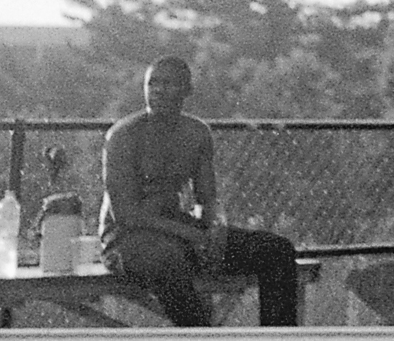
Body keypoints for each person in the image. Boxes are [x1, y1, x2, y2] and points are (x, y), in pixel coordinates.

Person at [99, 56, 300, 327]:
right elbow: (126, 215)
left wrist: (213, 231)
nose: (158, 90)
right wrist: (191, 235)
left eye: (168, 83)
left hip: (179, 232)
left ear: (187, 90)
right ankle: (201, 334)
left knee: (276, 251)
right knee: (169, 260)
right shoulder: (123, 136)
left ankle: (277, 337)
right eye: (152, 83)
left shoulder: (196, 133)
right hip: (127, 241)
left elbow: (207, 199)